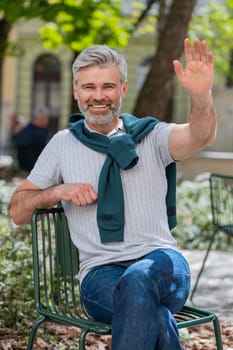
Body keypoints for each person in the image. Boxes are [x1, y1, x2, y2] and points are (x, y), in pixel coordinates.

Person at [10, 38, 217, 350]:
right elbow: (18, 211)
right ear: (76, 91)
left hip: (162, 264)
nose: (98, 96)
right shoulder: (62, 145)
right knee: (155, 314)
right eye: (89, 87)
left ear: (122, 90)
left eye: (108, 86)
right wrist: (57, 190)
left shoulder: (152, 137)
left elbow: (200, 135)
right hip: (99, 276)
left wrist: (201, 97)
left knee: (140, 278)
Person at [13, 106, 49, 172]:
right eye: (46, 117)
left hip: (39, 167)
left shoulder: (43, 130)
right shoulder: (29, 131)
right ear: (41, 118)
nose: (47, 120)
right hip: (31, 168)